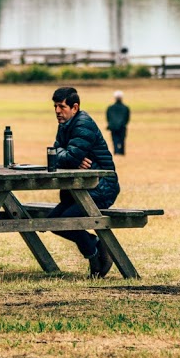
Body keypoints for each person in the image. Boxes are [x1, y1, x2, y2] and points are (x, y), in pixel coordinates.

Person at [48, 86, 120, 278]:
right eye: (55, 106)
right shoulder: (66, 125)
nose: (57, 111)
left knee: (66, 221)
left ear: (75, 107)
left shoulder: (82, 124)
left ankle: (96, 255)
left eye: (62, 107)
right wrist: (67, 157)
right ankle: (96, 247)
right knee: (53, 222)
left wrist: (66, 156)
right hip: (79, 190)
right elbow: (56, 154)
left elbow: (62, 155)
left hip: (100, 188)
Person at [106, 90, 131, 155]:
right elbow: (127, 118)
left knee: (114, 139)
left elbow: (108, 117)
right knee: (122, 140)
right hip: (122, 126)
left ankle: (116, 151)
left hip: (113, 126)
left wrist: (110, 124)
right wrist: (123, 123)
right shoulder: (126, 108)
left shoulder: (110, 108)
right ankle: (122, 152)